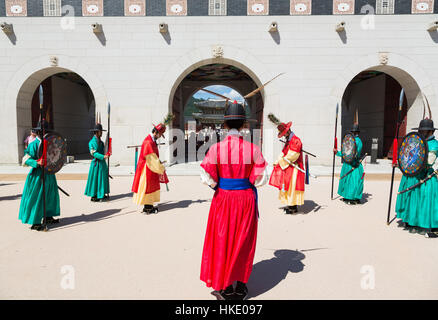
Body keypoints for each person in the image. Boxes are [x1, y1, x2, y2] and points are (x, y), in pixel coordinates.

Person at [200, 101, 268, 300]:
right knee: (242, 241)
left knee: (222, 240)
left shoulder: (215, 149)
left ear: (225, 124)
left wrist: (220, 187)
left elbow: (207, 177)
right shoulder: (253, 149)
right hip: (246, 198)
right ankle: (239, 286)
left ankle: (226, 286)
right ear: (245, 125)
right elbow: (261, 178)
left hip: (223, 198)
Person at [395, 119, 438, 235]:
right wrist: (402, 163)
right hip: (411, 174)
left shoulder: (433, 144)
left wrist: (414, 164)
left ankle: (421, 223)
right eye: (420, 130)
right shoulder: (415, 141)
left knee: (422, 198)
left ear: (430, 131)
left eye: (423, 130)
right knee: (410, 198)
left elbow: (429, 161)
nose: (421, 132)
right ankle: (409, 220)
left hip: (424, 175)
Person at [18, 121, 60, 231]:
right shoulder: (33, 144)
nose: (45, 133)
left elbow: (55, 155)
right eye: (43, 131)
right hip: (38, 175)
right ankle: (35, 222)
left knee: (50, 195)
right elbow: (26, 159)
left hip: (49, 173)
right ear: (39, 131)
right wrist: (37, 162)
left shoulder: (50, 142)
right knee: (37, 198)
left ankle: (48, 216)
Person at [132, 115, 172, 214]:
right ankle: (148, 207)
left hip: (150, 166)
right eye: (159, 135)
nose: (159, 137)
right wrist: (160, 167)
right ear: (156, 132)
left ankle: (148, 205)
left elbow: (153, 157)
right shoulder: (148, 142)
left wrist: (158, 163)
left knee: (150, 186)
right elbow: (151, 158)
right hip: (147, 167)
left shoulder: (151, 140)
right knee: (147, 186)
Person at [268, 114, 305, 214]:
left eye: (284, 133)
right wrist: (277, 161)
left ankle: (293, 208)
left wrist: (281, 160)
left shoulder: (296, 140)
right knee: (287, 187)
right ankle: (289, 205)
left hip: (294, 167)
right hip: (289, 167)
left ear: (288, 131)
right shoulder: (289, 140)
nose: (284, 135)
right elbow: (284, 152)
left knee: (292, 187)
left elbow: (293, 155)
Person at [333, 123, 364, 205]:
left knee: (352, 181)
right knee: (349, 180)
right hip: (350, 162)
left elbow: (349, 153)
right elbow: (347, 151)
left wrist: (338, 153)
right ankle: (348, 196)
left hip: (352, 163)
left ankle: (352, 198)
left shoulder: (356, 141)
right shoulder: (354, 140)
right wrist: (339, 153)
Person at [84, 123, 110, 202]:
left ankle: (101, 194)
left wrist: (107, 152)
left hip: (102, 163)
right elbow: (93, 153)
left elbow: (103, 150)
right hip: (96, 163)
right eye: (100, 131)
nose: (101, 133)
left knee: (102, 179)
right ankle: (94, 195)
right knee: (95, 180)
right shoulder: (91, 142)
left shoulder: (101, 142)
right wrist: (103, 156)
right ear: (97, 132)